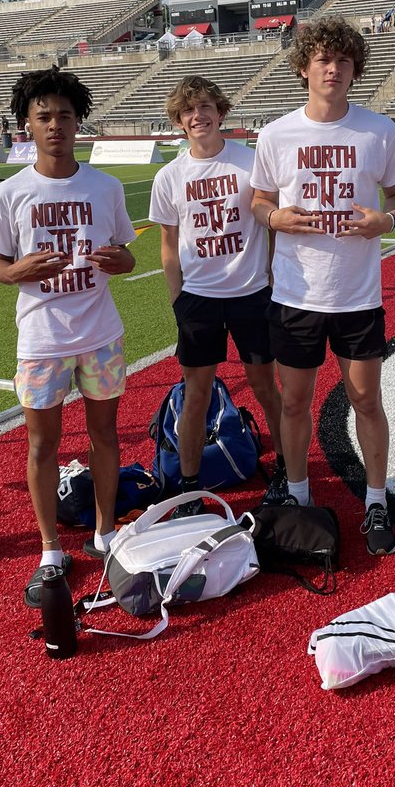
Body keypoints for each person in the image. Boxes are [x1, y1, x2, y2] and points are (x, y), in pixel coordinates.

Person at [250, 16, 395, 555]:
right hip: (295, 293)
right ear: (303, 67)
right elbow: (258, 201)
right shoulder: (276, 134)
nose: (333, 69)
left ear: (354, 69)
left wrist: (383, 223)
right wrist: (275, 220)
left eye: (343, 61)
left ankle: (376, 500)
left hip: (357, 294)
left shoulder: (378, 130)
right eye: (322, 59)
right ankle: (297, 494)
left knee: (367, 399)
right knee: (294, 403)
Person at [0, 67, 136, 607]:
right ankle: (51, 548)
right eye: (43, 116)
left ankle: (105, 532)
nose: (55, 126)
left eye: (65, 116)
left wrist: (119, 261)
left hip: (100, 333)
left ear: (79, 122)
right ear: (26, 123)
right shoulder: (10, 192)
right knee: (42, 444)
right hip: (42, 338)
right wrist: (18, 270)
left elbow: (127, 255)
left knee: (104, 436)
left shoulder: (105, 185)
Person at [148, 75, 284, 512]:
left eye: (205, 106)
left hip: (251, 293)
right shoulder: (170, 176)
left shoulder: (250, 163)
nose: (197, 116)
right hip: (199, 299)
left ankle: (285, 468)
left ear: (221, 112)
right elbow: (168, 245)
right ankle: (189, 487)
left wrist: (272, 277)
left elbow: (271, 223)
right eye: (188, 110)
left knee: (266, 386)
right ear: (179, 121)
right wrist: (178, 299)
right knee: (196, 394)